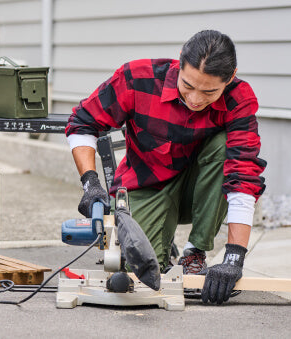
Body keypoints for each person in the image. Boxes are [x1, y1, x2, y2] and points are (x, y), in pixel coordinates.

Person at [65, 30, 266, 304]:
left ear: (230, 78)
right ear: (180, 63)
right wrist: (90, 183)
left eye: (209, 91)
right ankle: (162, 240)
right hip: (147, 184)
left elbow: (243, 177)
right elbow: (82, 123)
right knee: (142, 274)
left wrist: (234, 256)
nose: (196, 99)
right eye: (188, 86)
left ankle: (194, 254)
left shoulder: (238, 98)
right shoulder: (137, 78)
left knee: (223, 147)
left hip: (200, 191)